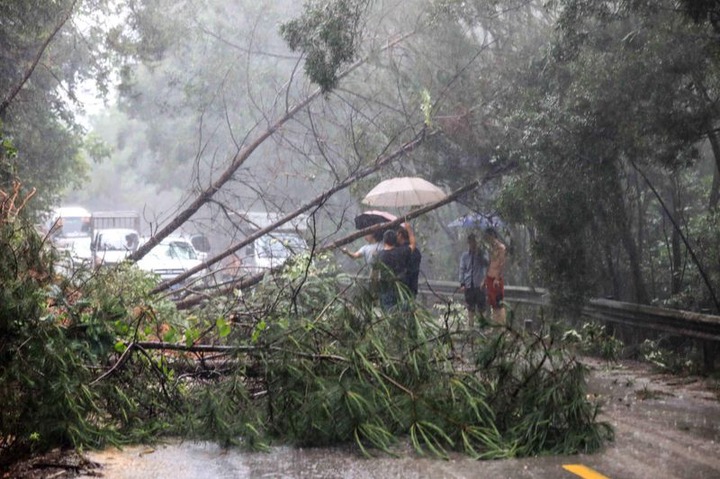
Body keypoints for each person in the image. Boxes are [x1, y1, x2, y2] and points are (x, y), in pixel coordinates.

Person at [374, 229, 410, 311]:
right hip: (401, 288)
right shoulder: (401, 252)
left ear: (384, 240)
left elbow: (375, 274)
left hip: (385, 287)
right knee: (402, 311)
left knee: (388, 312)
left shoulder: (379, 256)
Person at [458, 233, 488, 328]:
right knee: (470, 308)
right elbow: (462, 269)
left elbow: (486, 264)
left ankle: (483, 327)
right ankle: (470, 328)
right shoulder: (465, 256)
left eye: (474, 242)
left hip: (479, 285)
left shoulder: (482, 253)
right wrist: (462, 283)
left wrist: (479, 254)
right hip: (468, 285)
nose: (472, 244)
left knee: (482, 308)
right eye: (470, 242)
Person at [483, 228, 507, 326]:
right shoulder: (490, 249)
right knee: (492, 303)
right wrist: (485, 280)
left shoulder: (501, 248)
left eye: (489, 237)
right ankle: (495, 325)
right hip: (489, 277)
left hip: (496, 279)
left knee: (499, 303)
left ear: (493, 236)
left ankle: (501, 326)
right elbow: (489, 264)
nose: (488, 239)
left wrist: (497, 278)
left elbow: (502, 264)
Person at [396, 223, 421, 297]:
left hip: (401, 287)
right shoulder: (416, 251)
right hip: (412, 286)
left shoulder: (401, 250)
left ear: (400, 235)